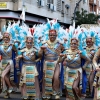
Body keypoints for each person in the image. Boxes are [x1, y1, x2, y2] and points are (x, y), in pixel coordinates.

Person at [39, 29, 64, 99]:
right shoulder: (44, 44)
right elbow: (40, 55)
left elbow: (63, 52)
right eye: (51, 35)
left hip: (56, 63)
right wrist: (41, 50)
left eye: (53, 35)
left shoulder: (60, 44)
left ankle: (56, 92)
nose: (52, 36)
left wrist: (61, 55)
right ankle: (47, 93)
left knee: (56, 77)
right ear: (48, 35)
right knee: (46, 78)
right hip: (46, 63)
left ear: (56, 35)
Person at [15, 35, 41, 100]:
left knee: (34, 81)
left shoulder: (35, 50)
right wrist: (17, 62)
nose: (29, 44)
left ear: (32, 43)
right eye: (28, 43)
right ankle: (25, 95)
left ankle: (34, 95)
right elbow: (17, 57)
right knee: (25, 82)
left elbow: (40, 56)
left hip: (33, 67)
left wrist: (36, 60)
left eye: (30, 43)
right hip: (25, 67)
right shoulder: (22, 51)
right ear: (25, 42)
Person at [0, 32, 18, 98]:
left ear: (9, 38)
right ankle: (7, 93)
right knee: (5, 77)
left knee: (3, 75)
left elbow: (16, 52)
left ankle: (10, 86)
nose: (5, 39)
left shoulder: (11, 45)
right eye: (4, 37)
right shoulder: (1, 46)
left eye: (7, 37)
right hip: (2, 63)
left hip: (9, 62)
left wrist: (17, 62)